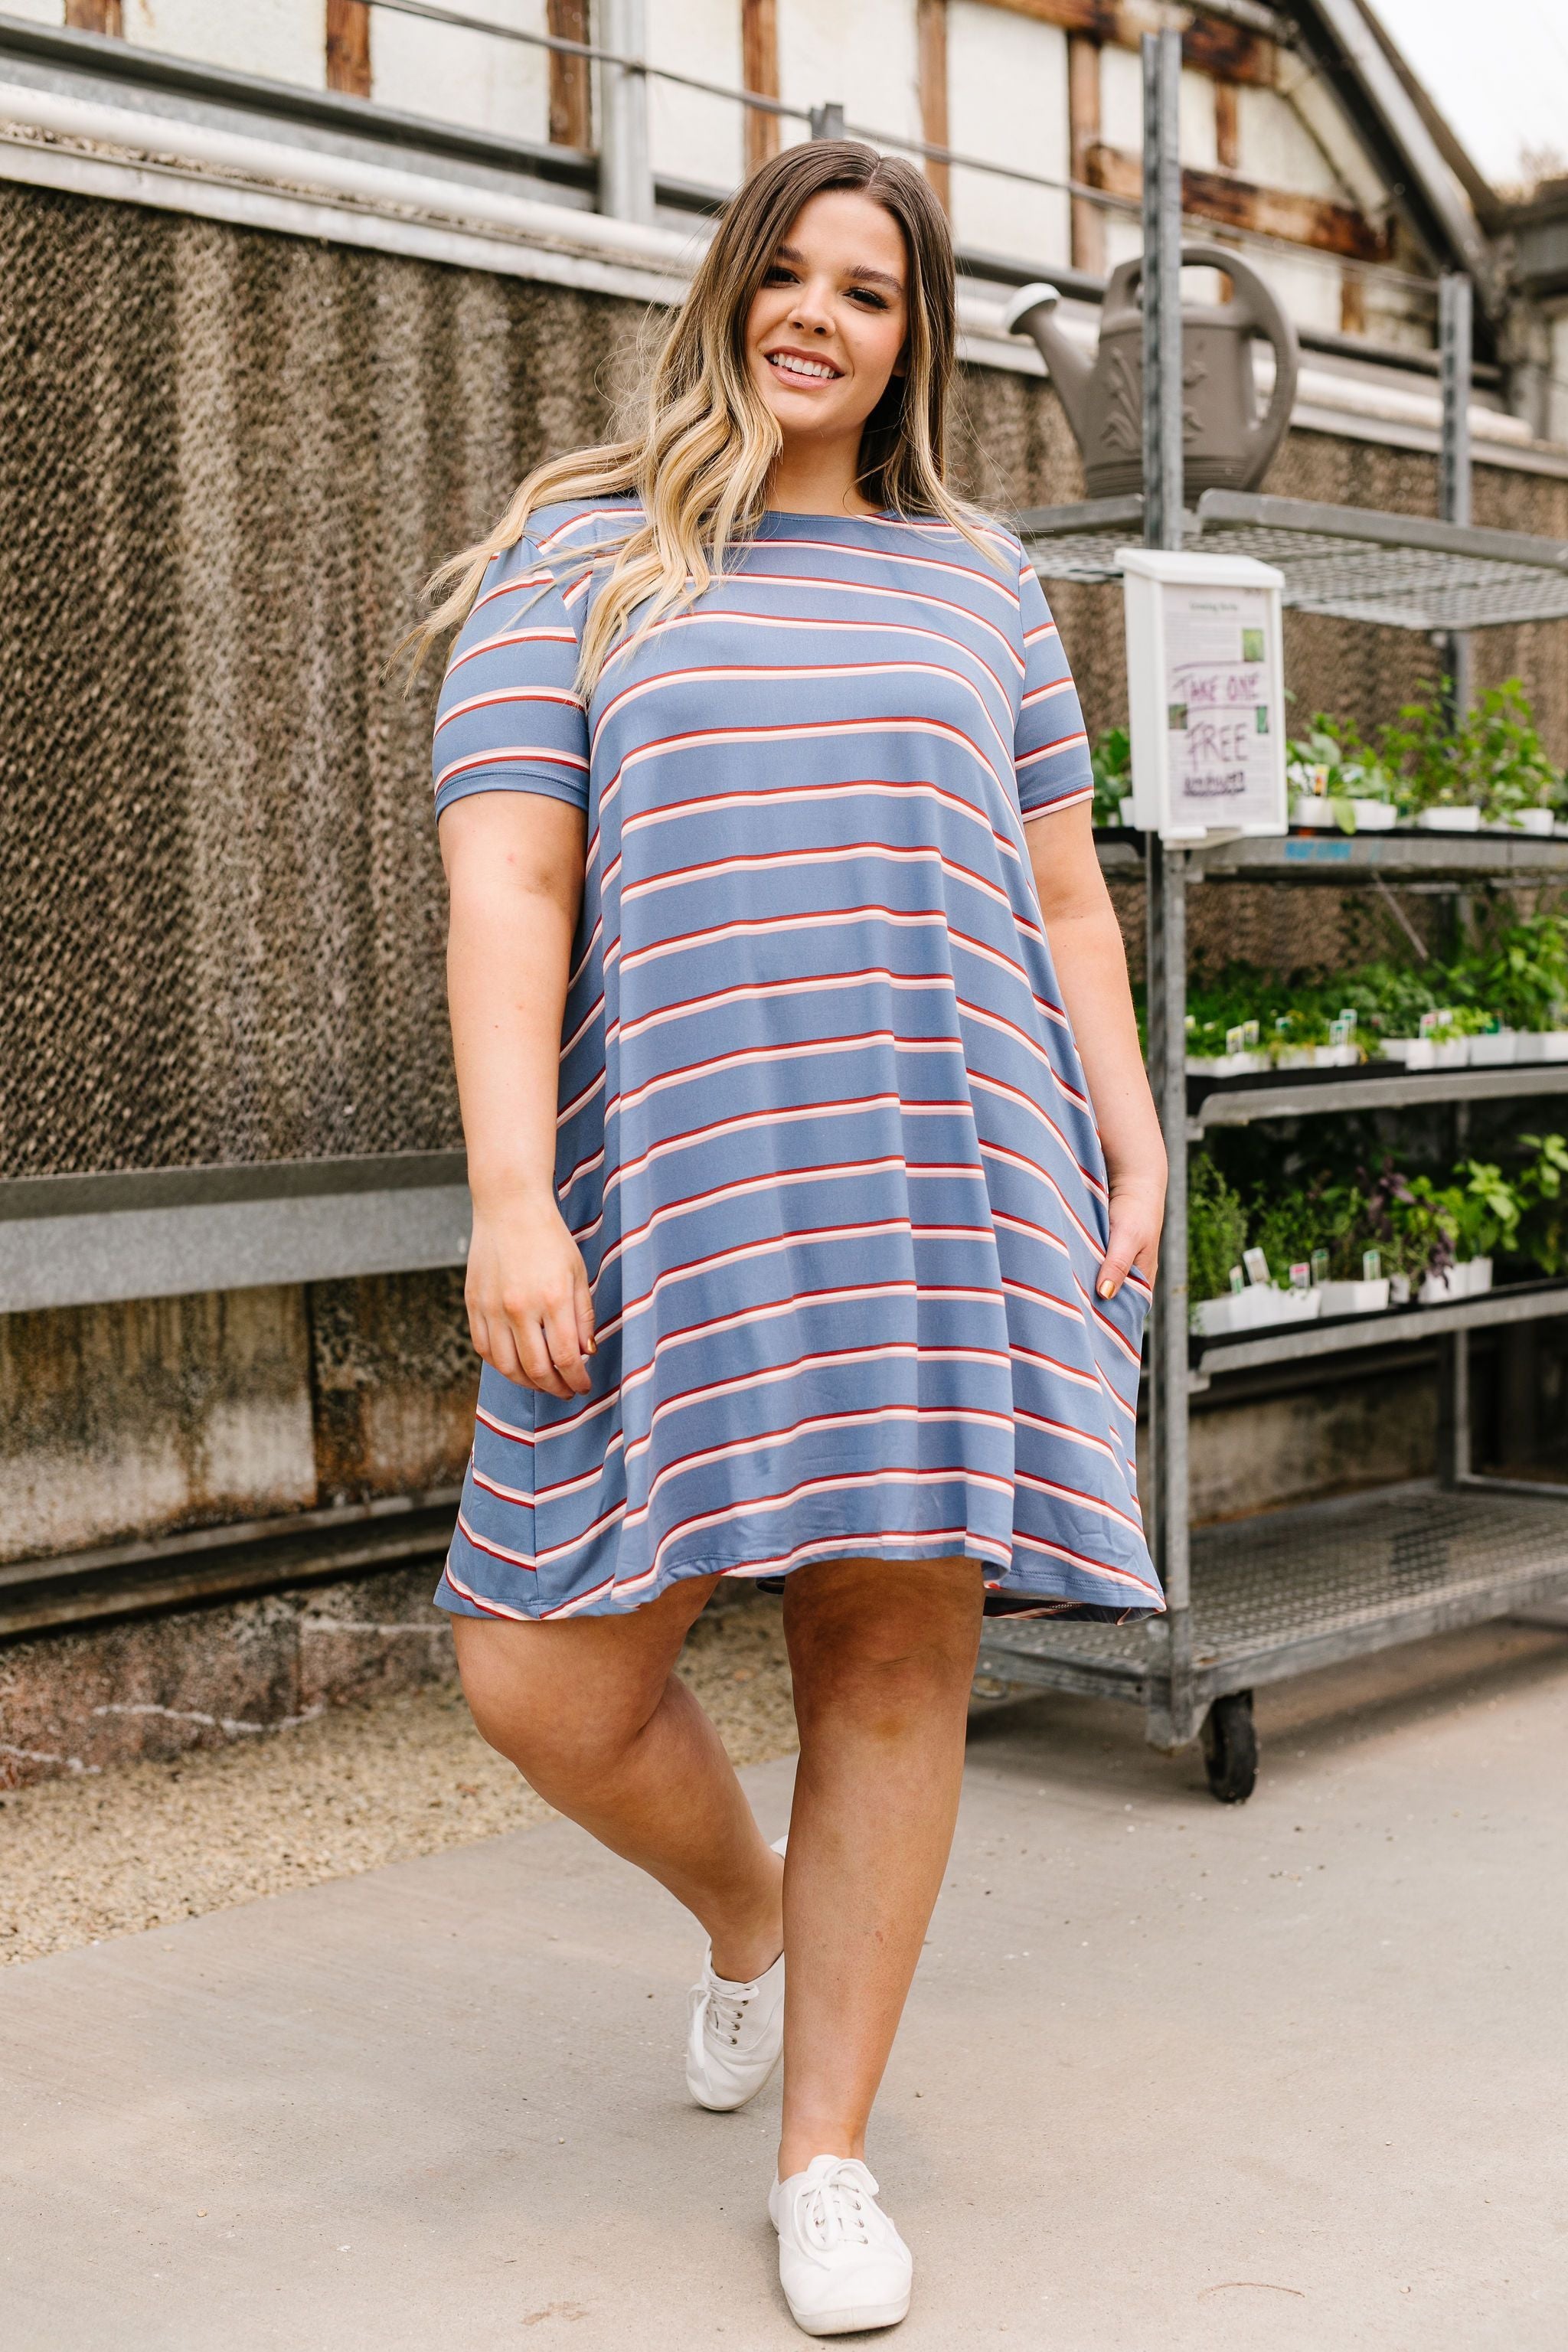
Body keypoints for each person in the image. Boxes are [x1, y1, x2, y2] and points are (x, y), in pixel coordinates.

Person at [415, 138, 1166, 2340]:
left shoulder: (981, 584)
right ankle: (746, 1917)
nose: (821, 312)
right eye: (790, 270)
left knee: (894, 1653)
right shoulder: (582, 555)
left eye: (872, 284)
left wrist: (1128, 1140)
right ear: (736, 287)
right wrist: (507, 1191)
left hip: (949, 1167)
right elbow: (509, 894)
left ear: (915, 333)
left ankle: (822, 2155)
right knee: (543, 1668)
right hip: (663, 1184)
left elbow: (1065, 905)